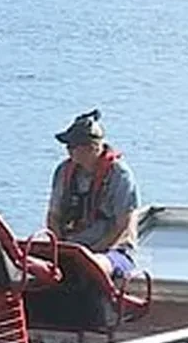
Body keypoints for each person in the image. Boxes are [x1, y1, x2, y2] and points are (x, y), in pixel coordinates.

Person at [44, 109, 142, 279]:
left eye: (73, 146)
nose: (68, 151)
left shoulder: (119, 175)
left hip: (111, 251)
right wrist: (60, 249)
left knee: (94, 267)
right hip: (72, 247)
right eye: (68, 146)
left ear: (93, 147)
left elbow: (122, 226)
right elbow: (53, 216)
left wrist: (91, 254)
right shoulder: (63, 171)